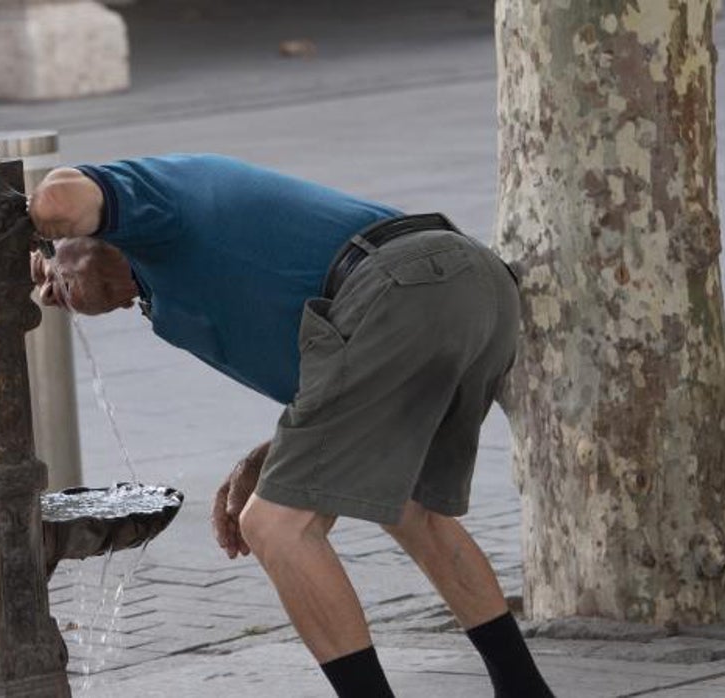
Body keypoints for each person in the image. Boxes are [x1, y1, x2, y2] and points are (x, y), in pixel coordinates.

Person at [28, 153, 554, 698]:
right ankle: (523, 688)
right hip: (467, 289)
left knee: (276, 527)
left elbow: (57, 201)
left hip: (400, 285)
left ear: (81, 234)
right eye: (40, 288)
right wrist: (268, 454)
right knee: (413, 508)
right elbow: (338, 380)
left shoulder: (144, 201)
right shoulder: (165, 296)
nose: (48, 290)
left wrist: (22, 218)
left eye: (46, 267)